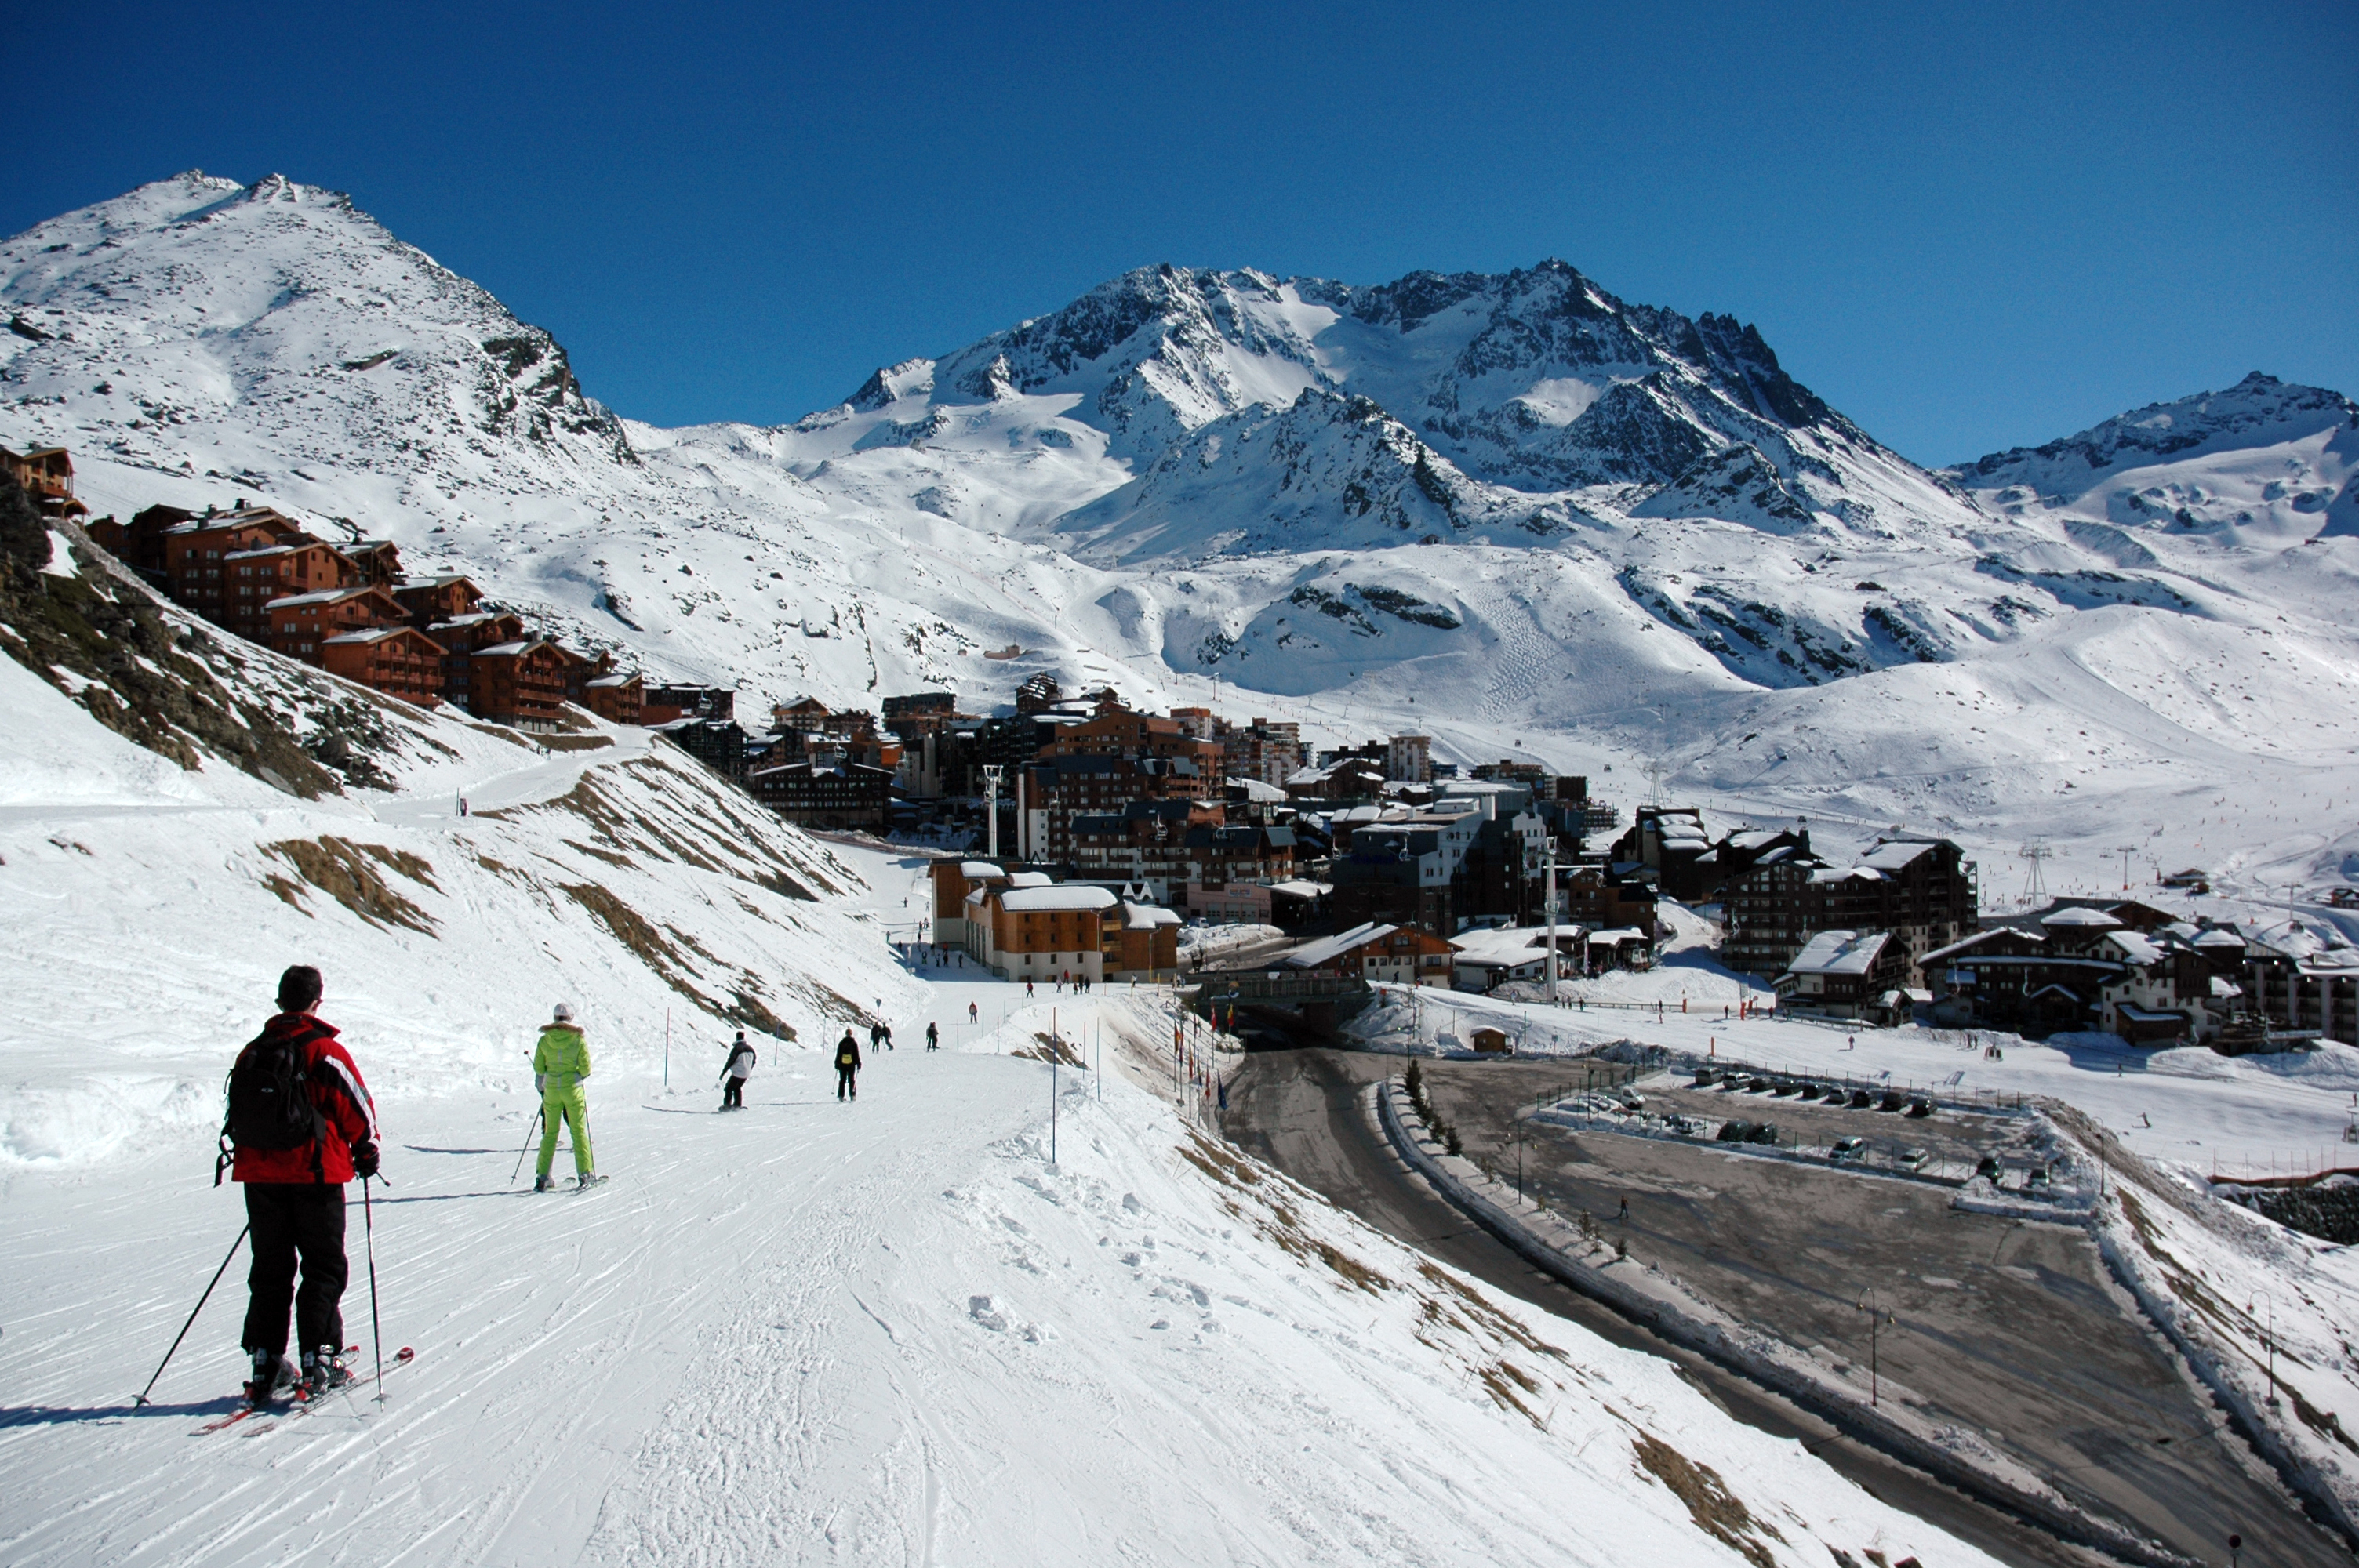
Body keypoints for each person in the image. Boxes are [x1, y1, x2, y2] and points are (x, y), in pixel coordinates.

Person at [224, 964, 379, 1406]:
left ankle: (265, 1360)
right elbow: (357, 1109)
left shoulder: (252, 1051)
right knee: (323, 1265)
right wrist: (366, 1149)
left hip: (260, 1175)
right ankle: (320, 1356)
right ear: (317, 1002)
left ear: (279, 1002)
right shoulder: (325, 1050)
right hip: (316, 1175)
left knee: (269, 1269)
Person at [533, 1003, 605, 1191]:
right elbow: (586, 1069)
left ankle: (543, 1177)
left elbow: (539, 1068)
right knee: (579, 1132)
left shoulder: (545, 1040)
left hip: (551, 1091)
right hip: (573, 1090)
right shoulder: (577, 1039)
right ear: (571, 1018)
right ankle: (586, 1174)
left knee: (550, 1133)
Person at [718, 1030, 756, 1111]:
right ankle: (737, 1105)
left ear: (737, 1037)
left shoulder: (737, 1048)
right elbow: (754, 1061)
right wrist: (749, 1069)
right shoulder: (751, 1049)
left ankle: (727, 1106)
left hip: (738, 1072)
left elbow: (731, 1061)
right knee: (737, 1088)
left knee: (728, 1088)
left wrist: (723, 1072)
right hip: (746, 1073)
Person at [836, 1028, 862, 1102]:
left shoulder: (842, 1043)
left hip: (842, 1064)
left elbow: (839, 1054)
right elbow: (856, 1054)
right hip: (851, 1065)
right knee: (851, 1080)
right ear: (851, 1034)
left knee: (842, 1080)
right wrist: (858, 1063)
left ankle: (841, 1095)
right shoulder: (854, 1043)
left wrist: (837, 1063)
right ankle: (852, 1095)